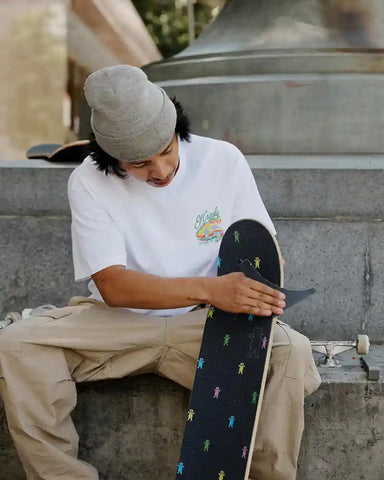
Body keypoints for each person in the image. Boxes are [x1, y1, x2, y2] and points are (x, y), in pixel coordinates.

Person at [0, 65, 321, 480]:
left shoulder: (222, 160)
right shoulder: (87, 182)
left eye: (166, 150)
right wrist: (210, 288)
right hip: (118, 323)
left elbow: (262, 252)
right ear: (110, 157)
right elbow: (114, 286)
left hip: (206, 325)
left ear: (176, 127)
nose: (160, 170)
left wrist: (256, 292)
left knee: (289, 352)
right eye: (139, 163)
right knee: (17, 344)